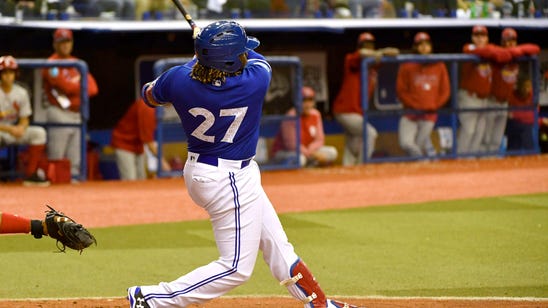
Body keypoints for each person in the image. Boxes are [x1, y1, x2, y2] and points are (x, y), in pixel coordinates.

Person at [129, 20, 357, 308]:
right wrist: (203, 49)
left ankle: (319, 304)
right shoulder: (255, 81)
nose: (244, 55)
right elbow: (254, 59)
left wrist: (198, 54)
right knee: (236, 268)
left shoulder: (178, 80)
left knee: (277, 245)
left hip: (207, 171)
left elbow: (149, 95)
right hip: (228, 179)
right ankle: (151, 298)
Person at [332, 31, 399, 165]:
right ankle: (362, 167)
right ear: (359, 46)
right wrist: (378, 53)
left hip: (357, 112)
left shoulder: (373, 65)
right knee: (370, 133)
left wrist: (384, 52)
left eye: (370, 45)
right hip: (345, 110)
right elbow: (362, 53)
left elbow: (395, 52)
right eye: (365, 45)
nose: (368, 47)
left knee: (353, 143)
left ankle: (347, 170)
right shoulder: (351, 59)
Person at [42, 28, 99, 181]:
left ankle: (73, 188)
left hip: (76, 114)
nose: (65, 45)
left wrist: (74, 85)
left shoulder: (77, 63)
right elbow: (64, 87)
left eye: (67, 41)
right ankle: (52, 186)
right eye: (61, 42)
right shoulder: (51, 64)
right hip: (59, 112)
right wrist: (79, 83)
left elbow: (93, 88)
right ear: (55, 44)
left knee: (75, 158)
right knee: (57, 156)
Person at [483, 27, 540, 154]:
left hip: (504, 104)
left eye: (512, 41)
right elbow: (498, 54)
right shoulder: (496, 53)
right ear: (502, 42)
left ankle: (490, 166)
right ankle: (480, 165)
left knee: (496, 139)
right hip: (491, 101)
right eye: (506, 41)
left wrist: (515, 51)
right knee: (486, 138)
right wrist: (511, 52)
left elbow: (535, 48)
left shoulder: (516, 57)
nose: (509, 44)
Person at [456, 25, 511, 155]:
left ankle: (472, 161)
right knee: (469, 130)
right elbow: (491, 53)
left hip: (484, 99)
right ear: (472, 38)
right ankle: (459, 160)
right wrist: (493, 50)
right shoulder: (468, 48)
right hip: (469, 97)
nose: (480, 38)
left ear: (487, 38)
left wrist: (493, 51)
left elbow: (504, 55)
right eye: (477, 36)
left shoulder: (489, 51)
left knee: (479, 132)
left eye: (483, 36)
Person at [396, 32, 450, 158]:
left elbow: (445, 91)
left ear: (431, 46)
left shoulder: (439, 65)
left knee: (419, 145)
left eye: (426, 44)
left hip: (429, 114)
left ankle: (417, 170)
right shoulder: (407, 65)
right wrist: (415, 105)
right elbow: (401, 90)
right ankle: (423, 162)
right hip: (410, 113)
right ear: (415, 47)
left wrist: (435, 105)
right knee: (405, 143)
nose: (424, 47)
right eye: (420, 45)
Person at [0, 55, 49, 186]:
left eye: (11, 72)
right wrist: (10, 129)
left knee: (39, 133)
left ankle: (30, 175)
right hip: (2, 130)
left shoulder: (21, 92)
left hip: (14, 130)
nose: (8, 76)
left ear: (16, 74)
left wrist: (21, 127)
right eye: (4, 72)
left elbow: (25, 118)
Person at [271, 86, 338, 167]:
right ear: (297, 102)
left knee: (332, 152)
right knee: (301, 159)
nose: (307, 104)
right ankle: (310, 163)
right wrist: (312, 155)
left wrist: (312, 151)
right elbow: (291, 145)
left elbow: (320, 140)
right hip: (285, 152)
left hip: (310, 151)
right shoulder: (291, 116)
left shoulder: (316, 114)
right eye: (304, 101)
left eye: (310, 100)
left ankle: (311, 162)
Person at [111, 98, 171, 180]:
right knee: (130, 180)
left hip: (138, 145)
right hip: (124, 143)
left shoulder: (155, 107)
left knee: (141, 179)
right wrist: (163, 162)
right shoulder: (148, 107)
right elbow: (149, 142)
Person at [506, 74, 538, 151]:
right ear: (519, 86)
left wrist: (518, 115)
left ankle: (530, 155)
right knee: (524, 127)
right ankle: (530, 154)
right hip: (512, 125)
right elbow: (509, 115)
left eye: (529, 86)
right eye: (526, 86)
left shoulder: (533, 95)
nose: (529, 88)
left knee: (526, 127)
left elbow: (534, 115)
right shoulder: (512, 95)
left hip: (526, 124)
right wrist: (522, 116)